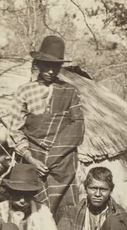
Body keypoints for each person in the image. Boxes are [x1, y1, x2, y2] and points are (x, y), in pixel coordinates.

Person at [11, 35, 85, 217]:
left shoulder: (69, 91)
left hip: (63, 164)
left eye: (56, 66)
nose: (51, 71)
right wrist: (30, 159)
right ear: (38, 63)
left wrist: (54, 157)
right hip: (33, 160)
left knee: (65, 212)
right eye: (46, 65)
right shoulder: (25, 91)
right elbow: (14, 130)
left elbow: (77, 127)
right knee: (32, 209)